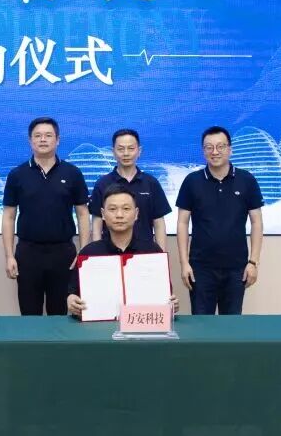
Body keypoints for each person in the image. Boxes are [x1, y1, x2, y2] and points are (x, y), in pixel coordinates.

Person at [2, 117, 90, 315]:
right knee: (29, 313)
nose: (43, 140)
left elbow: (83, 214)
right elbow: (8, 217)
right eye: (38, 136)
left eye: (48, 135)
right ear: (30, 140)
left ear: (57, 140)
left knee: (60, 313)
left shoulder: (73, 173)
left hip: (63, 253)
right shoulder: (17, 175)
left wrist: (83, 252)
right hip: (28, 253)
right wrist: (9, 256)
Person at [175, 126, 264, 315]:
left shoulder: (247, 180)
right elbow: (182, 223)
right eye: (209, 147)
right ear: (203, 150)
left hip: (236, 268)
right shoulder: (192, 181)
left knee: (231, 326)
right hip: (200, 268)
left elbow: (256, 222)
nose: (215, 152)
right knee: (201, 324)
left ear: (230, 149)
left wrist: (253, 262)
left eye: (220, 146)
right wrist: (184, 263)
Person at [67, 185, 178, 317]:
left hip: (141, 326)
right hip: (98, 326)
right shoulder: (89, 254)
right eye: (112, 209)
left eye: (126, 209)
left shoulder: (153, 252)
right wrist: (72, 300)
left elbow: (166, 295)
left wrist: (171, 303)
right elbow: (73, 293)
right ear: (103, 214)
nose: (119, 215)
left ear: (136, 214)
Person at [88, 129, 172, 250]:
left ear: (139, 151)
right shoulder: (102, 184)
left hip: (145, 252)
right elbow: (97, 224)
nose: (126, 153)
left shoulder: (151, 183)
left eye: (131, 148)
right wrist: (97, 253)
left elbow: (159, 223)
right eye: (121, 149)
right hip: (109, 253)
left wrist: (162, 255)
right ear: (113, 152)